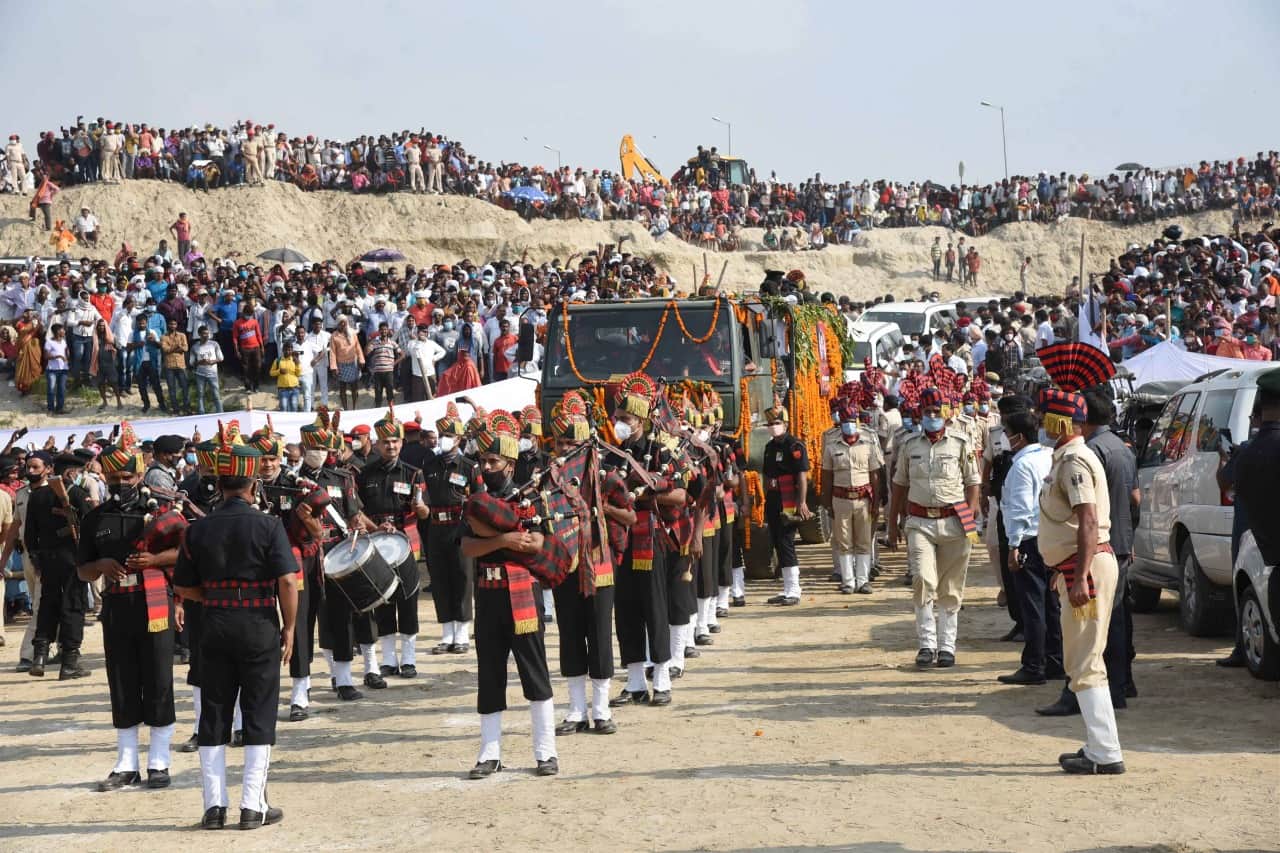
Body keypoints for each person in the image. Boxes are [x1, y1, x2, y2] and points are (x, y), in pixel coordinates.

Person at [173, 438, 299, 829]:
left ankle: (214, 807)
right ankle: (251, 806)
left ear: (220, 484)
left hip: (212, 625)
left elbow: (185, 588)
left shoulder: (198, 529)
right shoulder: (268, 524)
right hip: (258, 623)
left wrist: (214, 595)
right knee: (259, 712)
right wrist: (290, 627)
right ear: (252, 486)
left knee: (213, 714)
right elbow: (288, 582)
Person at [77, 442, 186, 792]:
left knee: (158, 677)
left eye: (127, 475)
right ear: (105, 476)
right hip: (117, 603)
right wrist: (99, 566)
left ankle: (159, 762)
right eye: (114, 476)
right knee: (121, 680)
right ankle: (126, 764)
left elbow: (186, 553)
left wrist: (154, 561)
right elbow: (82, 571)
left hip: (155, 601)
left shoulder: (162, 510)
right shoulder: (96, 517)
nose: (121, 481)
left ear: (140, 474)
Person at [459, 411, 560, 778]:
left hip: (522, 593)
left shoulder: (534, 498)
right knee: (489, 674)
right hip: (487, 595)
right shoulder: (476, 501)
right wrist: (504, 539)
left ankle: (545, 752)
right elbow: (468, 547)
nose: (487, 466)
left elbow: (539, 542)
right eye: (483, 460)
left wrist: (519, 540)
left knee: (534, 671)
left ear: (511, 462)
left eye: (494, 460)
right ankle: (490, 754)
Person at [1035, 388, 1124, 774]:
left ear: (1059, 421)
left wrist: (1080, 577)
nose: (1040, 423)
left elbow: (1087, 519)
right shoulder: (1068, 457)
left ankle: (1104, 753)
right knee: (1083, 659)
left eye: (1044, 416)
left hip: (1082, 567)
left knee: (1085, 662)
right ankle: (1099, 747)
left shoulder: (1074, 461)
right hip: (1077, 566)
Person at [887, 387, 981, 668]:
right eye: (926, 412)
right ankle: (926, 644)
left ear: (946, 412)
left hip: (955, 519)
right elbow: (899, 486)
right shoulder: (910, 445)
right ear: (920, 414)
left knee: (951, 588)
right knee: (923, 581)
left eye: (936, 411)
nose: (932, 416)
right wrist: (892, 525)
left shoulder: (961, 443)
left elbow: (973, 481)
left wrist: (972, 513)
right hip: (919, 523)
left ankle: (947, 646)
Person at [606, 372, 685, 706]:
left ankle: (662, 678)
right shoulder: (612, 455)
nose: (619, 423)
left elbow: (679, 496)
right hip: (618, 539)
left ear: (640, 419)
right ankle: (636, 680)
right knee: (625, 610)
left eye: (624, 419)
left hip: (649, 538)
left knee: (654, 607)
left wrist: (642, 496)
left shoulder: (661, 452)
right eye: (617, 418)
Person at [358, 407, 429, 678]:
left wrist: (419, 506)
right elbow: (357, 510)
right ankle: (388, 659)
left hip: (406, 540)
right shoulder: (365, 474)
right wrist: (377, 528)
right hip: (376, 541)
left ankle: (409, 659)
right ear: (377, 443)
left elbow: (425, 513)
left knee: (408, 598)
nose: (391, 446)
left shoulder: (413, 474)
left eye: (395, 441)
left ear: (401, 443)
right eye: (386, 441)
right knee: (383, 599)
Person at [996, 410, 1060, 685]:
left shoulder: (1022, 466)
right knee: (1051, 604)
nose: (1005, 439)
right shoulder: (1049, 456)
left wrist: (1013, 546)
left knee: (1033, 604)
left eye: (1007, 432)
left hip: (1028, 540)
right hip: (1048, 537)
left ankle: (1034, 664)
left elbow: (1020, 509)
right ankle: (1055, 660)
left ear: (1018, 437)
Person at [421, 402, 481, 653]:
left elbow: (479, 500)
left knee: (463, 577)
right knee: (440, 579)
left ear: (459, 438)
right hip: (436, 527)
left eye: (449, 436)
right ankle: (446, 633)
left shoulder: (469, 466)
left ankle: (462, 634)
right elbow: (423, 497)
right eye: (442, 435)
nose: (444, 440)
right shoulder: (430, 465)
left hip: (460, 527)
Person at [25, 451, 90, 679]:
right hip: (72, 559)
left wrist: (36, 558)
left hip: (47, 559)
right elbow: (90, 528)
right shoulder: (79, 495)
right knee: (73, 606)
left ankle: (40, 656)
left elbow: (30, 535)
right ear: (71, 471)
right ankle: (69, 661)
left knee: (48, 605)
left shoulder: (37, 496)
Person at [821, 402, 883, 594]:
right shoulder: (832, 446)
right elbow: (826, 476)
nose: (849, 424)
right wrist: (827, 503)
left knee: (863, 540)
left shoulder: (868, 444)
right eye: (845, 421)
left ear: (856, 422)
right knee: (844, 541)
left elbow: (874, 475)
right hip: (840, 499)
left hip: (863, 499)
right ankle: (848, 581)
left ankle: (863, 580)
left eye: (851, 421)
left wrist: (876, 503)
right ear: (841, 424)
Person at [762, 406, 812, 605]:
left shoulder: (794, 445)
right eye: (770, 424)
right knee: (777, 542)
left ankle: (794, 590)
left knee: (786, 542)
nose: (773, 427)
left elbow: (802, 476)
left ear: (786, 424)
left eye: (777, 423)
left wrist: (801, 501)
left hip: (789, 498)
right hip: (774, 498)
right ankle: (787, 588)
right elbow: (767, 475)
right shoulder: (769, 447)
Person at [43, 323, 69, 414]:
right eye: (62, 330)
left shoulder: (64, 341)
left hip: (63, 369)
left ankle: (60, 408)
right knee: (51, 389)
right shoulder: (49, 342)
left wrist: (67, 353)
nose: (64, 332)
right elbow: (46, 356)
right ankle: (50, 408)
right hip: (52, 369)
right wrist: (58, 356)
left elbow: (66, 353)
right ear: (57, 331)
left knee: (61, 389)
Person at [269, 343, 303, 412]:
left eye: (290, 350)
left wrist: (298, 364)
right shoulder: (278, 360)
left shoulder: (294, 360)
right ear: (283, 350)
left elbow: (298, 374)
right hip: (283, 390)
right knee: (283, 408)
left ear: (292, 351)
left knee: (294, 407)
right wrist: (279, 371)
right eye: (286, 350)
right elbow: (271, 373)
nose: (288, 352)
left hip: (294, 389)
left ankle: (293, 423)